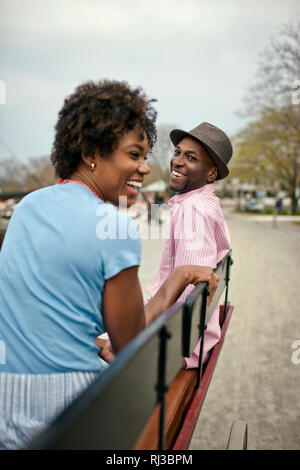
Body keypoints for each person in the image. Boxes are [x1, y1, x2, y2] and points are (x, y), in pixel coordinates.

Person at [0, 80, 219, 450]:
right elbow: (131, 345)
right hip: (62, 413)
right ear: (90, 153)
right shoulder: (114, 227)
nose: (145, 168)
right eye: (134, 155)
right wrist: (177, 278)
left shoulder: (28, 207)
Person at [146, 122, 233, 368]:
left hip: (183, 345)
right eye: (178, 153)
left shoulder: (193, 210)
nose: (177, 161)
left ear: (211, 174)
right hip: (190, 334)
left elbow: (189, 293)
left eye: (191, 157)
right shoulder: (203, 202)